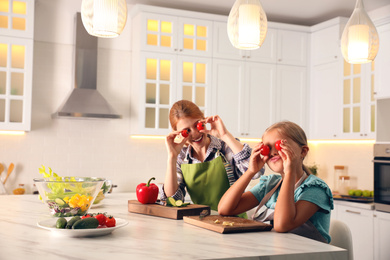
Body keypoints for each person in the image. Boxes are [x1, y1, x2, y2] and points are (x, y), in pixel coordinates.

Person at [218, 121, 333, 243]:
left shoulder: (316, 189)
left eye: (280, 145)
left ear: (303, 151)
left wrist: (289, 172)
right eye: (267, 148)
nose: (273, 152)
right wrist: (250, 171)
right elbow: (225, 209)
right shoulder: (270, 184)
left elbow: (282, 225)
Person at [160, 100, 263, 212]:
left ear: (204, 119)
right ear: (177, 133)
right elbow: (172, 201)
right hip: (201, 222)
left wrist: (224, 135)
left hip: (233, 220)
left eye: (197, 125)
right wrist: (172, 157)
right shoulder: (181, 158)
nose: (195, 133)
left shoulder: (226, 147)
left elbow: (256, 172)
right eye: (187, 131)